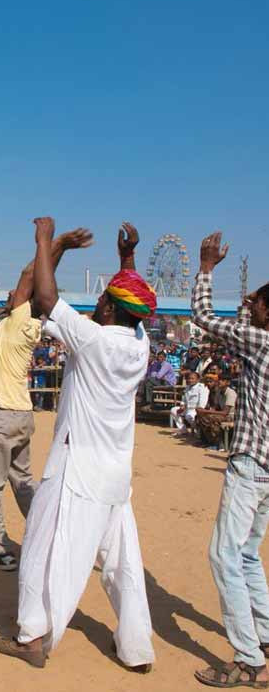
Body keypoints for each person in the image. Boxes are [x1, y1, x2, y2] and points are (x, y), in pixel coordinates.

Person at [0, 220, 155, 672]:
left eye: (103, 298)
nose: (97, 302)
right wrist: (127, 260)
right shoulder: (138, 347)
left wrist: (45, 239)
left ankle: (32, 637)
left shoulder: (93, 340)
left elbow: (46, 300)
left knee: (43, 551)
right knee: (122, 565)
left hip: (76, 469)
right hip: (116, 476)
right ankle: (137, 649)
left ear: (107, 310)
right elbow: (130, 308)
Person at [0, 228, 91, 570]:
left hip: (3, 416)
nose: (11, 292)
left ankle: (0, 551)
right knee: (22, 481)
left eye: (16, 294)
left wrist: (55, 244)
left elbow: (30, 275)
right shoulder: (27, 325)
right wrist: (60, 250)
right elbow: (38, 280)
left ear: (27, 302)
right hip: (22, 416)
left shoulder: (18, 320)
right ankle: (47, 537)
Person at [189, 232, 269, 689]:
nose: (252, 305)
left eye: (257, 303)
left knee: (224, 557)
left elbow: (202, 316)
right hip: (267, 471)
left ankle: (248, 659)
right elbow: (242, 324)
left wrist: (205, 268)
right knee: (249, 556)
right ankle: (264, 637)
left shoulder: (259, 341)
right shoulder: (259, 338)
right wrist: (250, 301)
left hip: (250, 469)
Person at [195, 372, 238, 449]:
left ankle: (218, 443)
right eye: (219, 380)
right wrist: (203, 412)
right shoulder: (219, 392)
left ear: (228, 382)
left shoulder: (231, 393)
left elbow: (225, 412)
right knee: (201, 417)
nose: (219, 382)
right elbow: (215, 407)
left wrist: (206, 412)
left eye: (222, 380)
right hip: (222, 414)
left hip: (231, 416)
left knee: (211, 418)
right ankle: (208, 441)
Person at [170, 370, 209, 435]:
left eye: (192, 379)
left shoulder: (202, 387)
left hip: (196, 409)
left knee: (190, 415)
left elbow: (202, 403)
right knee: (174, 410)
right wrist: (182, 405)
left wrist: (199, 410)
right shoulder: (187, 387)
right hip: (187, 408)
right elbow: (184, 399)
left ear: (198, 379)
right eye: (189, 378)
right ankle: (183, 429)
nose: (190, 380)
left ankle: (198, 431)